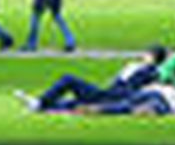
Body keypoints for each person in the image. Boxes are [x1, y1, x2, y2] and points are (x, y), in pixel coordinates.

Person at [16, 46, 166, 112]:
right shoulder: (135, 65)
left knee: (68, 79)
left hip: (112, 98)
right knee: (72, 103)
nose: (144, 55)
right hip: (107, 93)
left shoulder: (151, 72)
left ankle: (39, 103)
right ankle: (38, 103)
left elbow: (156, 83)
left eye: (148, 54)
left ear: (153, 57)